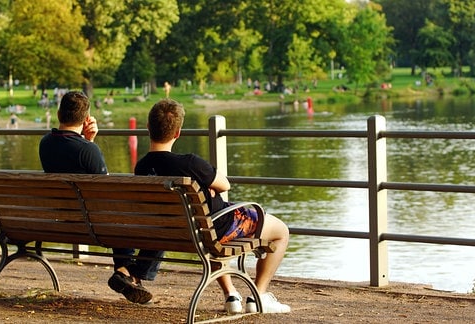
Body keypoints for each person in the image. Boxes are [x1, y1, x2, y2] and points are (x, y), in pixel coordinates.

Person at [130, 98, 291, 314]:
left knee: (204, 224)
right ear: (178, 132)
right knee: (281, 231)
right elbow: (225, 184)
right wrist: (209, 187)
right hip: (216, 228)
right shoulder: (189, 163)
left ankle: (231, 295)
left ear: (148, 127)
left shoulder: (141, 167)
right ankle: (258, 296)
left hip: (181, 232)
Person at [38, 91, 152, 304]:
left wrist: (87, 141)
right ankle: (125, 272)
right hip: (92, 223)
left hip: (61, 220)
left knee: (116, 215)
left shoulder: (45, 143)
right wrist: (90, 144)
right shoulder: (88, 150)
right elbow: (105, 190)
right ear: (85, 119)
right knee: (122, 213)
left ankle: (125, 274)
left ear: (58, 113)